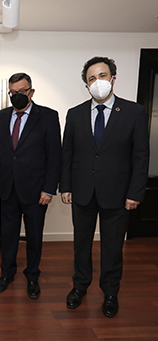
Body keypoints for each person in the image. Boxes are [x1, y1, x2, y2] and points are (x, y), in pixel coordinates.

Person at [60, 57, 149, 318]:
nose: (97, 82)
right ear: (86, 85)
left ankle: (110, 293)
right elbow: (69, 154)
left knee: (112, 248)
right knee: (81, 245)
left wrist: (135, 192)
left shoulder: (133, 112)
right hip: (82, 192)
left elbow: (140, 156)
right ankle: (79, 287)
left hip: (119, 195)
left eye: (102, 75)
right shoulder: (75, 114)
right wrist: (65, 186)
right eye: (91, 78)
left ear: (113, 78)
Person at [0, 73, 62, 297]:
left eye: (21, 92)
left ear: (31, 92)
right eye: (13, 93)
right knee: (8, 234)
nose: (17, 96)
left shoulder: (47, 116)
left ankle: (32, 277)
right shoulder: (0, 117)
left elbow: (54, 156)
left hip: (36, 191)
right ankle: (7, 273)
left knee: (34, 236)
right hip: (8, 188)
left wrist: (49, 189)